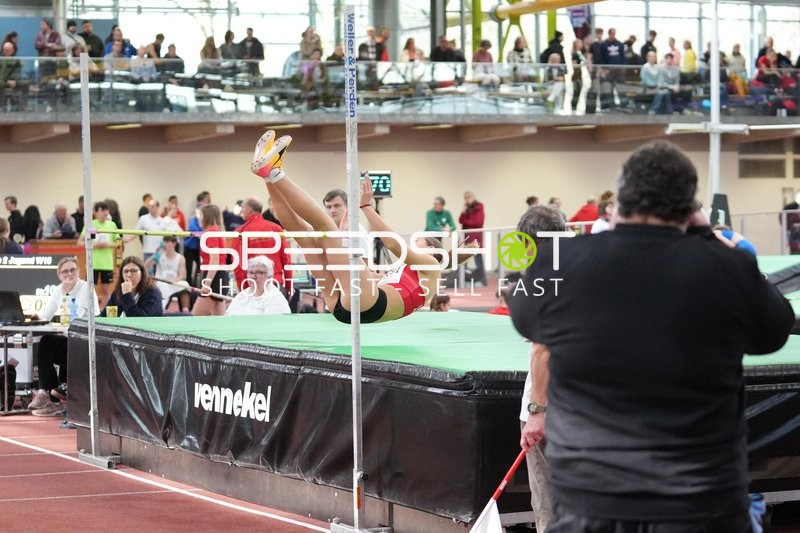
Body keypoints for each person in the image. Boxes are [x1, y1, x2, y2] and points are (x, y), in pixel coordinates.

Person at [509, 141, 794, 531]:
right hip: (700, 503)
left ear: (620, 202)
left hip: (595, 505)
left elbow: (526, 318)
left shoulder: (562, 265)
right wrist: (709, 237)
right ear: (690, 209)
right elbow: (775, 329)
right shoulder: (726, 266)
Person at [250, 131, 443, 324]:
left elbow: (392, 244)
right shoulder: (410, 275)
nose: (413, 241)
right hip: (347, 306)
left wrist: (366, 206)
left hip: (368, 302)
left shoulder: (431, 264)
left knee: (324, 226)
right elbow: (372, 276)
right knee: (304, 236)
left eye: (418, 240)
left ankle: (275, 172)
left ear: (431, 248)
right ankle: (267, 175)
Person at [513, 204, 567, 533]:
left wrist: (537, 411)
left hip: (555, 412)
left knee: (549, 506)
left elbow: (543, 350)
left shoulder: (542, 280)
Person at [27, 256, 99, 416]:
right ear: (59, 275)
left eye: (72, 270)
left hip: (85, 341)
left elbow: (76, 316)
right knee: (46, 342)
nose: (69, 274)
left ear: (78, 271)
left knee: (55, 343)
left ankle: (52, 398)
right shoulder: (58, 289)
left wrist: (66, 293)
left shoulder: (86, 288)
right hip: (69, 339)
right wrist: (38, 317)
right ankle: (46, 393)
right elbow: (47, 314)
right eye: (65, 271)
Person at [232, 197, 291, 295]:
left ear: (249, 210)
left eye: (243, 207)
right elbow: (286, 259)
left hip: (254, 286)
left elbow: (238, 264)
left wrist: (243, 289)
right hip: (275, 283)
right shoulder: (276, 228)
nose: (241, 211)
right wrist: (289, 285)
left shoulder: (240, 232)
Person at [78, 201, 119, 307]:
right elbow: (80, 242)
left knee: (106, 290)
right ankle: (91, 309)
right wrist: (93, 245)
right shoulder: (91, 224)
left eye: (106, 210)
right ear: (96, 212)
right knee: (90, 289)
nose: (105, 212)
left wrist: (108, 244)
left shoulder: (112, 225)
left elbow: (118, 243)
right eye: (102, 210)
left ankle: (102, 310)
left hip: (107, 263)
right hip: (93, 263)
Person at [192, 204, 229, 316]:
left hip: (214, 277)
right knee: (218, 318)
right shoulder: (215, 232)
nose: (199, 218)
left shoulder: (212, 233)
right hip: (218, 275)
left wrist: (207, 283)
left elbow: (214, 260)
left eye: (201, 215)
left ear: (207, 217)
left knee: (196, 316)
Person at [226, 256, 291, 316]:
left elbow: (275, 323)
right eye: (250, 272)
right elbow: (228, 316)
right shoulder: (242, 295)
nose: (253, 276)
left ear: (269, 276)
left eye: (259, 272)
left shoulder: (275, 297)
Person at [144, 235, 189, 312]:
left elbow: (182, 275)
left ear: (174, 243)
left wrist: (171, 281)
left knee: (185, 284)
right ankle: (162, 308)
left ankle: (185, 309)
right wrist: (155, 255)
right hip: (160, 282)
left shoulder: (180, 258)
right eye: (164, 242)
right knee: (162, 285)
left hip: (174, 282)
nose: (165, 244)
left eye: (167, 242)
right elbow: (145, 266)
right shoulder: (159, 255)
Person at [459, 191, 486, 286]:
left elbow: (478, 222)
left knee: (478, 260)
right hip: (467, 237)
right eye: (466, 198)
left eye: (469, 197)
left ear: (473, 197)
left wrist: (466, 221)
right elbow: (460, 220)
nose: (467, 199)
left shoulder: (479, 206)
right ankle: (461, 280)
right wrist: (463, 211)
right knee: (464, 260)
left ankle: (483, 280)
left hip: (476, 238)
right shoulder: (467, 209)